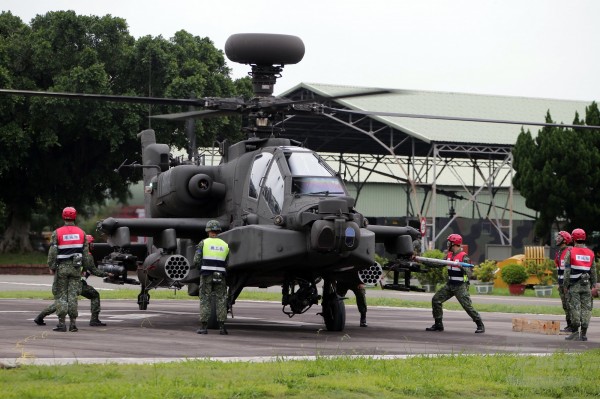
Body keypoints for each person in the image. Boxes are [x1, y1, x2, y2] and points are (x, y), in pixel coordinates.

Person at [34, 235, 111, 327]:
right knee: (94, 295)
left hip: (66, 281)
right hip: (76, 283)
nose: (93, 246)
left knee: (62, 301)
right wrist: (107, 274)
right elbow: (94, 270)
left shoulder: (71, 252)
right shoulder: (88, 256)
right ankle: (94, 320)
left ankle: (40, 316)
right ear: (88, 244)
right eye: (91, 243)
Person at [425, 233, 485, 333]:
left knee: (467, 306)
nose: (447, 244)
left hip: (460, 286)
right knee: (436, 300)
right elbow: (438, 264)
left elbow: (469, 272)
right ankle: (438, 325)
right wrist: (422, 261)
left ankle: (480, 324)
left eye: (449, 242)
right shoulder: (448, 255)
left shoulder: (464, 257)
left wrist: (462, 266)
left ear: (454, 244)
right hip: (450, 284)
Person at [46, 207, 93, 332]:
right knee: (73, 295)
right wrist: (86, 268)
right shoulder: (82, 233)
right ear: (75, 216)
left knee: (61, 296)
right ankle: (73, 324)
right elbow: (86, 254)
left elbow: (53, 252)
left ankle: (62, 324)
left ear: (63, 216)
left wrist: (51, 266)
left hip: (62, 268)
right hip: (76, 268)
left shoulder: (57, 233)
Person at [194, 220, 230, 335]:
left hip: (206, 275)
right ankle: (222, 328)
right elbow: (227, 262)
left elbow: (196, 261)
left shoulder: (203, 243)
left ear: (208, 231)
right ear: (218, 231)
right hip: (220, 275)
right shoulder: (225, 245)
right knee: (221, 299)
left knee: (205, 298)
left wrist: (201, 268)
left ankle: (204, 327)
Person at [563, 228, 596, 341]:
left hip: (574, 285)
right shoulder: (591, 253)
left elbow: (567, 271)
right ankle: (584, 334)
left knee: (574, 308)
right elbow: (593, 272)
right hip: (586, 285)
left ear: (573, 238)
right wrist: (593, 285)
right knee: (587, 309)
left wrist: (565, 285)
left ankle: (575, 333)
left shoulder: (570, 252)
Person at [554, 231, 573, 332]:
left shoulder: (570, 251)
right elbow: (559, 268)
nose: (557, 238)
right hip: (561, 284)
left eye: (559, 237)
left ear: (565, 240)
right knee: (565, 305)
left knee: (570, 305)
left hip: (569, 285)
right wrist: (559, 283)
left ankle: (573, 326)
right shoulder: (558, 253)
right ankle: (569, 325)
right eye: (557, 237)